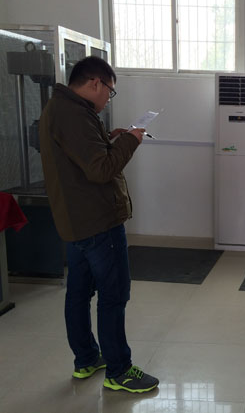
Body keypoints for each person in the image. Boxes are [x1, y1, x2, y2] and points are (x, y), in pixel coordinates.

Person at [39, 56, 159, 392]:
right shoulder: (74, 114)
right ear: (96, 83)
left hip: (75, 222)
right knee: (113, 295)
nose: (108, 98)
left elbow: (81, 158)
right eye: (110, 91)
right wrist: (131, 140)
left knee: (78, 293)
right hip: (98, 223)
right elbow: (101, 170)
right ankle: (120, 371)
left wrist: (110, 138)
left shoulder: (60, 108)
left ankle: (87, 359)